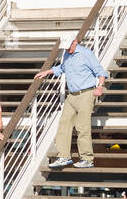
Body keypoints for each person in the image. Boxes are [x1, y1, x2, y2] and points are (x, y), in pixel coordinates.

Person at [34, 37, 107, 168]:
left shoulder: (86, 53)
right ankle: (63, 156)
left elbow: (100, 71)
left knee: (82, 127)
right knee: (64, 124)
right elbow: (63, 67)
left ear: (75, 41)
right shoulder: (67, 54)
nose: (67, 49)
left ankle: (87, 158)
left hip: (86, 93)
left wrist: (100, 86)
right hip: (71, 95)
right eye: (66, 47)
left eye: (69, 46)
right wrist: (47, 71)